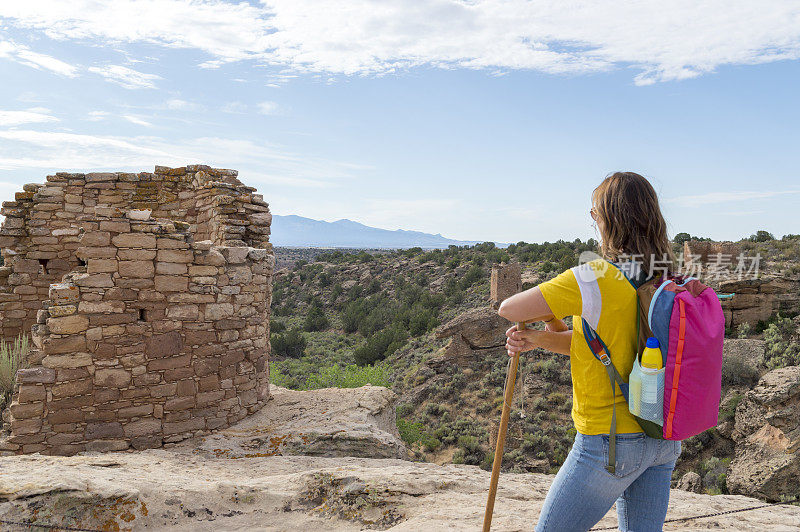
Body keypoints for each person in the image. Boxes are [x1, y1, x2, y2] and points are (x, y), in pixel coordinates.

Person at [497, 171, 681, 532]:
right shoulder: (665, 275)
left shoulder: (592, 276)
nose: (593, 220)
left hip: (608, 442)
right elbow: (604, 349)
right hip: (662, 438)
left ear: (609, 219)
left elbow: (509, 308)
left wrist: (551, 309)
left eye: (595, 213)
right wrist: (540, 336)